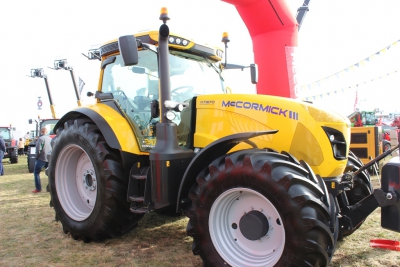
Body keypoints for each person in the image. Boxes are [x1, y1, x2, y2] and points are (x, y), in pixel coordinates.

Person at [32, 128, 52, 193]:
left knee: (36, 173)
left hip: (41, 158)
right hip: (49, 158)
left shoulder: (40, 139)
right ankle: (50, 187)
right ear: (46, 132)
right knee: (50, 173)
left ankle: (38, 188)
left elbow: (38, 149)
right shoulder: (50, 139)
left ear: (41, 132)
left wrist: (36, 157)